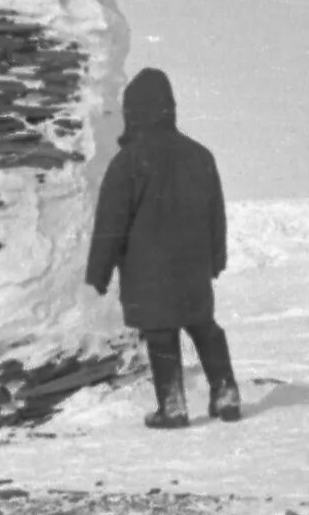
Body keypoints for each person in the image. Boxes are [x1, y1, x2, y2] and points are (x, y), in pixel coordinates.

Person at [85, 68, 238, 429]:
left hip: (148, 269)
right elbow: (216, 215)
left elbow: (111, 226)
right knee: (204, 326)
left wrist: (98, 274)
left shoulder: (129, 162)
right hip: (194, 267)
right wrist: (216, 260)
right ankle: (226, 393)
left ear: (135, 111)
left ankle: (173, 407)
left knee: (160, 331)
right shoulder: (201, 155)